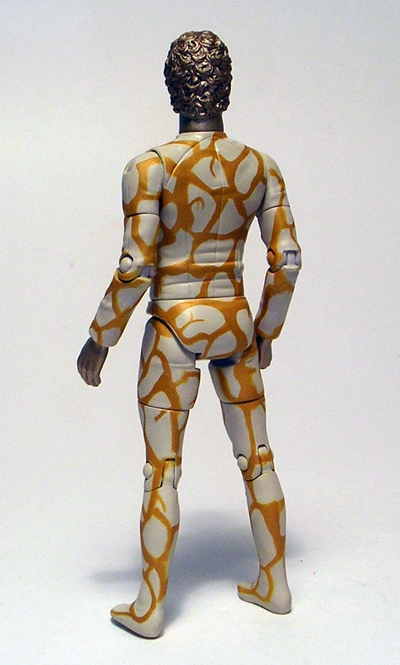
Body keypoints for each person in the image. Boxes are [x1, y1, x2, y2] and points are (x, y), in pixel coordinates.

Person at [77, 30, 301, 638]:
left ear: (173, 87)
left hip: (174, 325)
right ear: (226, 86)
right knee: (257, 457)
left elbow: (136, 265)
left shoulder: (148, 168)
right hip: (235, 322)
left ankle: (151, 606)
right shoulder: (260, 167)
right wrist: (267, 329)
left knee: (162, 469)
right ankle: (275, 582)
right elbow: (287, 260)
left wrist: (101, 336)